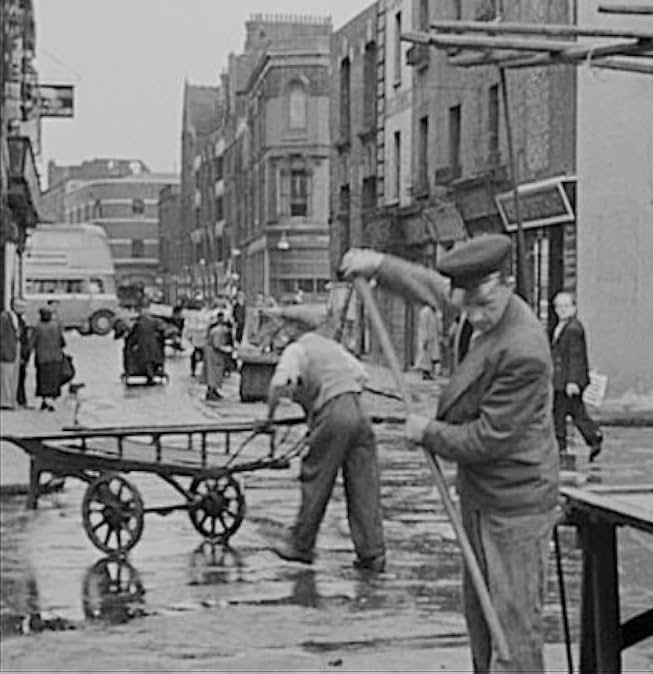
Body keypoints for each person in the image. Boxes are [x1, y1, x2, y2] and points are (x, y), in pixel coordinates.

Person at [340, 234, 559, 674]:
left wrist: (429, 432)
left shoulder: (524, 350)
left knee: (513, 629)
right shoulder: (478, 302)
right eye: (467, 307)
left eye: (482, 308)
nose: (473, 318)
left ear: (508, 284)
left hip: (515, 505)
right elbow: (435, 289)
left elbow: (488, 439)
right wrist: (379, 265)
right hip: (480, 497)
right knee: (481, 619)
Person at [259, 308, 386, 571]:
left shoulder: (297, 350)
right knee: (364, 484)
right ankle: (372, 553)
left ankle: (301, 545)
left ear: (294, 329)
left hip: (333, 412)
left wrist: (269, 418)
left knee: (316, 476)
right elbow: (362, 375)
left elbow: (279, 384)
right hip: (360, 412)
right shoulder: (332, 347)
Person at [550, 290, 604, 462]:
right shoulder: (562, 327)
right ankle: (593, 437)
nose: (562, 309)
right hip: (562, 380)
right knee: (575, 412)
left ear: (574, 308)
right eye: (559, 306)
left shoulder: (573, 329)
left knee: (561, 414)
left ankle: (561, 446)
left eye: (566, 306)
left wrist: (573, 381)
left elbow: (576, 356)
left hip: (567, 381)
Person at [32, 306, 65, 412]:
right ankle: (51, 401)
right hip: (56, 358)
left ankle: (46, 401)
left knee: (43, 381)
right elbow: (63, 342)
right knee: (54, 381)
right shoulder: (56, 326)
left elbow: (32, 342)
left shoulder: (37, 327)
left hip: (42, 359)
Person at [124, 304, 166, 384]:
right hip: (153, 346)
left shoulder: (138, 323)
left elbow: (132, 336)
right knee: (151, 360)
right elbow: (162, 330)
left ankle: (139, 371)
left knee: (144, 358)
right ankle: (152, 373)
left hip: (142, 346)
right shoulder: (155, 321)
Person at [204, 310, 233, 401]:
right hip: (213, 354)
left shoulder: (219, 330)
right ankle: (211, 392)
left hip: (215, 353)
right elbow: (217, 345)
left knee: (216, 373)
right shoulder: (219, 331)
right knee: (213, 373)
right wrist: (226, 349)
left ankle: (214, 390)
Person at [415, 303, 442, 380]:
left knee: (434, 356)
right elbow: (423, 326)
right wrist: (425, 339)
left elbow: (438, 325)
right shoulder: (425, 312)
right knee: (426, 357)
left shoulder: (436, 312)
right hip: (427, 338)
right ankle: (425, 373)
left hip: (433, 338)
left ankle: (431, 373)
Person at [13, 299, 32, 407]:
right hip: (20, 354)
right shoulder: (18, 322)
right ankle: (20, 399)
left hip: (22, 353)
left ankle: (20, 399)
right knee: (20, 378)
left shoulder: (20, 321)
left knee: (20, 377)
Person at [0, 302, 19, 409]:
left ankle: (7, 401)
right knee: (7, 378)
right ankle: (7, 401)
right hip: (8, 352)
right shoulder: (6, 317)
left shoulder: (8, 317)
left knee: (8, 378)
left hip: (9, 352)